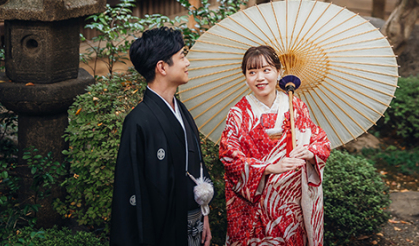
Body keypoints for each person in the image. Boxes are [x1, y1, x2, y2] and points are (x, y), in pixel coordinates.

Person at [220, 45, 331, 246]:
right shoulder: (238, 113)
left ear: (278, 72)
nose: (260, 78)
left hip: (291, 207)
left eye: (266, 70)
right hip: (256, 206)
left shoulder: (295, 106)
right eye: (252, 72)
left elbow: (321, 141)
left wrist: (309, 152)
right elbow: (229, 156)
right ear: (245, 76)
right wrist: (269, 167)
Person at [111, 27, 213, 246]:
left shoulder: (181, 109)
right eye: (182, 57)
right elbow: (129, 188)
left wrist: (204, 213)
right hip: (161, 229)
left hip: (192, 221)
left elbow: (196, 167)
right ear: (162, 67)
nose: (187, 63)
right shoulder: (138, 121)